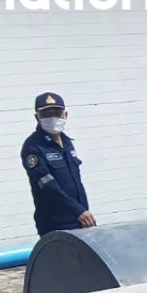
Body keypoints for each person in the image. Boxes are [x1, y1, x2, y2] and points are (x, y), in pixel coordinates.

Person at [21, 92, 95, 236]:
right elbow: (49, 187)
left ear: (65, 115)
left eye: (57, 113)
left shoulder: (67, 142)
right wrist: (78, 211)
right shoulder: (33, 147)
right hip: (55, 224)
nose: (53, 118)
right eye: (46, 114)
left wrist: (83, 211)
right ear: (37, 117)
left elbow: (76, 182)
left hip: (80, 220)